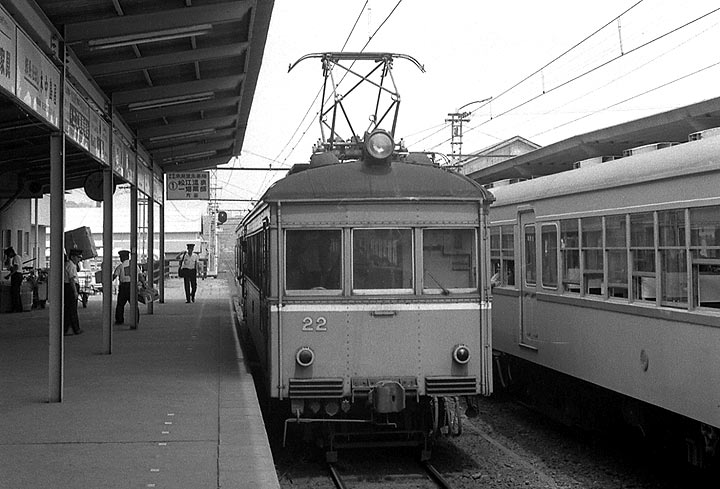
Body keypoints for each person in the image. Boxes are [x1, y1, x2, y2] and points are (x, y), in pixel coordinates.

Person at [113, 250, 144, 328]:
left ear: (123, 257)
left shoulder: (120, 266)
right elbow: (140, 276)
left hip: (123, 287)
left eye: (120, 257)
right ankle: (135, 319)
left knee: (120, 304)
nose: (120, 258)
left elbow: (114, 276)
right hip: (133, 286)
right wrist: (144, 284)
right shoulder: (134, 266)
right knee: (134, 304)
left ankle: (119, 320)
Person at [63, 250, 84, 335]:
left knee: (68, 309)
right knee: (72, 309)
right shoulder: (71, 265)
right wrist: (75, 291)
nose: (79, 259)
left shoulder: (70, 264)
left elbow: (78, 269)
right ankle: (76, 329)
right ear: (72, 257)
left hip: (68, 287)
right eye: (78, 257)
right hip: (71, 287)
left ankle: (65, 328)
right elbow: (71, 279)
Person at [3, 247, 23, 313]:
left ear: (11, 253)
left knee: (14, 293)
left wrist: (9, 275)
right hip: (19, 275)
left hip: (16, 276)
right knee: (17, 292)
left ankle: (15, 308)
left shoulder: (15, 258)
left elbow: (16, 268)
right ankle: (19, 308)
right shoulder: (18, 257)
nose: (9, 256)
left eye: (8, 255)